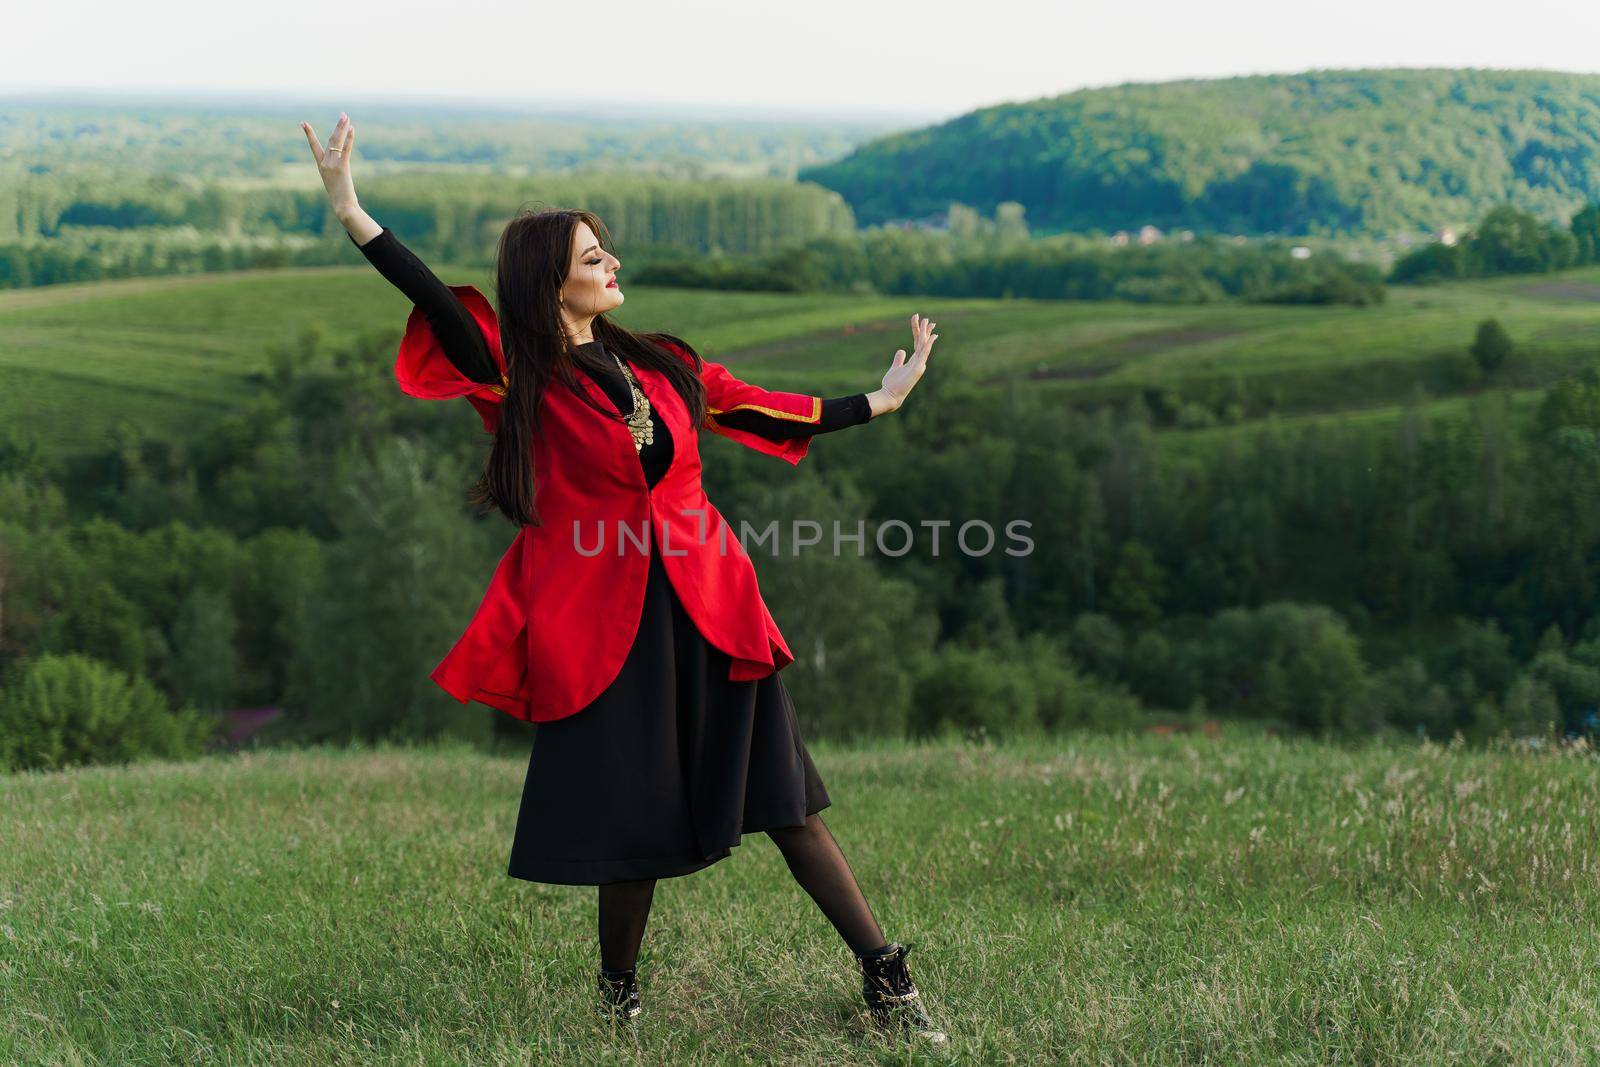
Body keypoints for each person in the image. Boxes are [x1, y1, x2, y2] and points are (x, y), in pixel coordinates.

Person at [300, 112, 947, 1044]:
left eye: (605, 251)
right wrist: (350, 208)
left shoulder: (663, 362)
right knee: (632, 818)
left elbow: (753, 403)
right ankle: (618, 992)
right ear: (549, 280)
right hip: (606, 619)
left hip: (711, 605)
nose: (611, 266)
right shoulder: (522, 374)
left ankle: (887, 981)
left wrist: (877, 401)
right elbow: (439, 307)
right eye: (593, 256)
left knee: (790, 799)